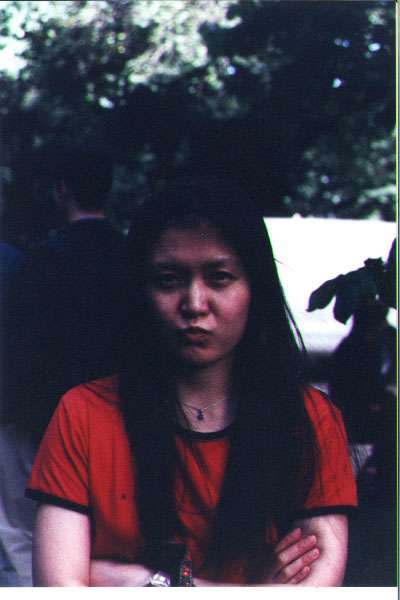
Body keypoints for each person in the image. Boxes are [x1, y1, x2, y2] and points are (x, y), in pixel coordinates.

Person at [26, 178, 357, 586]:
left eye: (219, 277)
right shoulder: (83, 414)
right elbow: (58, 588)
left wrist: (143, 581)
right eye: (169, 280)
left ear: (256, 287)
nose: (194, 304)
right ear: (141, 289)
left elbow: (317, 589)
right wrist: (254, 591)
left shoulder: (311, 420)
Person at [5, 143, 128, 442]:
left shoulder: (45, 258)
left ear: (61, 189)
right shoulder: (130, 254)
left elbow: (25, 343)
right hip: (117, 410)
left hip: (49, 417)